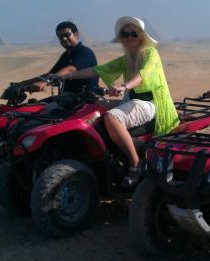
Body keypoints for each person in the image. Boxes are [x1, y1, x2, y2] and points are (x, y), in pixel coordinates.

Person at [55, 16, 179, 187]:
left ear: (141, 36)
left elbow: (144, 74)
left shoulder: (150, 53)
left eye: (133, 34)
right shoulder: (126, 58)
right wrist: (67, 76)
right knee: (93, 108)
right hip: (132, 100)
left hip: (150, 103)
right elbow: (98, 70)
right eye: (125, 34)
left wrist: (124, 86)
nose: (129, 37)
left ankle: (135, 163)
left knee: (112, 117)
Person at [19, 21, 98, 96]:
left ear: (76, 35)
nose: (64, 38)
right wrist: (22, 83)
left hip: (84, 101)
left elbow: (70, 69)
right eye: (60, 37)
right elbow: (51, 74)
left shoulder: (85, 52)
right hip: (67, 98)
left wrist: (45, 82)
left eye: (67, 35)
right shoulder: (67, 54)